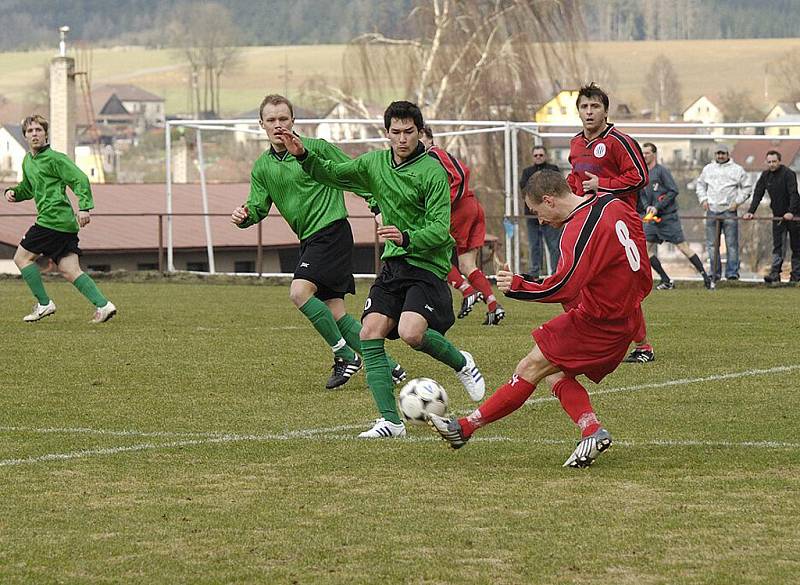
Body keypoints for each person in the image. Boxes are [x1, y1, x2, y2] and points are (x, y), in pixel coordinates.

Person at [276, 100, 486, 439]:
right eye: (396, 132)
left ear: (420, 132)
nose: (402, 138)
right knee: (368, 332)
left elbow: (439, 228)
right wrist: (304, 156)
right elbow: (333, 174)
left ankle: (462, 362)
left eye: (409, 131)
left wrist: (405, 235)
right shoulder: (375, 163)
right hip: (394, 263)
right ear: (386, 133)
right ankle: (392, 422)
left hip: (427, 263)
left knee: (411, 333)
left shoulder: (432, 171)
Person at [428, 170, 651, 467]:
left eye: (537, 212)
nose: (541, 220)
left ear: (549, 200)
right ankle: (592, 430)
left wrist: (517, 286)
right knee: (557, 375)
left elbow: (564, 285)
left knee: (530, 366)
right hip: (624, 315)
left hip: (600, 321)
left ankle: (463, 429)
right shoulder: (613, 203)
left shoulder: (577, 230)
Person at [231, 94, 406, 390]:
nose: (278, 125)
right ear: (261, 124)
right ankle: (391, 368)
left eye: (283, 119)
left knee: (299, 292)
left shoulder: (316, 149)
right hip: (309, 240)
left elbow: (356, 176)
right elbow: (258, 206)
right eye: (271, 120)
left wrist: (376, 208)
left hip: (332, 232)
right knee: (335, 312)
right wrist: (244, 216)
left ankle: (344, 355)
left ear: (293, 121)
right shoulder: (262, 167)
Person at [565, 83, 655, 364]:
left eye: (595, 107)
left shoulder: (620, 141)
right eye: (584, 107)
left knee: (622, 288)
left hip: (619, 225)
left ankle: (643, 346)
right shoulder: (576, 143)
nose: (589, 112)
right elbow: (576, 179)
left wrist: (602, 185)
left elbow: (640, 177)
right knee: (576, 280)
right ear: (578, 111)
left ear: (605, 111)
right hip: (587, 223)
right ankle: (584, 337)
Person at [4, 114, 117, 324]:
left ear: (46, 134)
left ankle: (44, 304)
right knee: (69, 270)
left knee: (21, 258)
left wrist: (84, 207)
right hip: (64, 224)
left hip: (51, 220)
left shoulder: (56, 158)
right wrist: (14, 193)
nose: (34, 134)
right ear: (25, 136)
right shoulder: (28, 161)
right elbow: (28, 189)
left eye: (38, 130)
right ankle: (104, 305)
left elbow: (80, 179)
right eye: (30, 131)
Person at [419, 125, 505, 325]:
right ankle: (493, 305)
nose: (416, 141)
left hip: (459, 208)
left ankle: (467, 291)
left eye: (420, 136)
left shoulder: (433, 154)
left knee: (432, 253)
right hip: (471, 206)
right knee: (467, 265)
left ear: (430, 139)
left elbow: (462, 173)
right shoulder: (431, 157)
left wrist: (444, 203)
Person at [638, 142, 713, 290]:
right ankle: (666, 280)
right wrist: (648, 208)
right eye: (643, 153)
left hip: (668, 217)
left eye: (647, 153)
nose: (644, 156)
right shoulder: (643, 173)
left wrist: (658, 207)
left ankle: (707, 278)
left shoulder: (662, 171)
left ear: (654, 154)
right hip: (652, 219)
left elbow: (673, 191)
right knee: (645, 250)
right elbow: (642, 194)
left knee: (683, 248)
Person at [695, 144, 752, 282]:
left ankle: (732, 273)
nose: (720, 156)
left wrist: (737, 202)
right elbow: (700, 185)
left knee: (731, 244)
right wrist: (703, 200)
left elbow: (747, 188)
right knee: (712, 244)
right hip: (711, 210)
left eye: (723, 153)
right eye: (718, 153)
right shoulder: (708, 169)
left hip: (729, 211)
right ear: (715, 155)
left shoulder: (737, 170)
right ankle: (714, 273)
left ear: (728, 154)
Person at [743, 150, 800, 284]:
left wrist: (791, 212)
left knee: (796, 247)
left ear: (779, 161)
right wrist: (751, 211)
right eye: (769, 162)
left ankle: (796, 275)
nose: (772, 164)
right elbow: (758, 193)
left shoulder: (788, 174)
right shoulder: (765, 176)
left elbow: (794, 194)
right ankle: (775, 274)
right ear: (766, 162)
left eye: (774, 161)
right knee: (778, 246)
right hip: (778, 216)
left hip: (795, 215)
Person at [519, 144, 561, 279]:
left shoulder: (553, 170)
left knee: (554, 246)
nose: (538, 157)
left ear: (545, 156)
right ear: (532, 157)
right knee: (534, 246)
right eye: (536, 155)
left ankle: (556, 273)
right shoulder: (527, 172)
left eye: (541, 155)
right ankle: (534, 274)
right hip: (532, 217)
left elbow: (558, 188)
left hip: (550, 215)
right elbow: (524, 191)